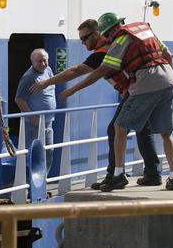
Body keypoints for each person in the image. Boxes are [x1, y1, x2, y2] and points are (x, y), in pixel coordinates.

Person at [32, 19, 165, 189]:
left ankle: (115, 176)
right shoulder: (108, 48)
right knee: (142, 129)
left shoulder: (104, 52)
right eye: (80, 39)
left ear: (96, 34)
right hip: (140, 88)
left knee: (114, 130)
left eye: (85, 38)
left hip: (134, 91)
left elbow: (76, 70)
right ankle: (152, 173)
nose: (83, 42)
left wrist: (48, 82)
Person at [61, 12, 173, 192]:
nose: (108, 38)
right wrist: (168, 80)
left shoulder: (120, 40)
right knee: (165, 132)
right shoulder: (144, 31)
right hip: (168, 79)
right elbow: (169, 55)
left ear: (110, 31)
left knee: (119, 126)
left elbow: (102, 70)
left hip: (146, 82)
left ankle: (118, 175)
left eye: (106, 34)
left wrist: (73, 90)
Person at [15, 48, 56, 148]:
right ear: (32, 62)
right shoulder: (29, 77)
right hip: (34, 126)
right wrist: (32, 118)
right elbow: (19, 99)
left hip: (48, 123)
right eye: (39, 61)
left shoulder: (48, 70)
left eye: (45, 60)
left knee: (48, 152)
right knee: (35, 154)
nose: (43, 64)